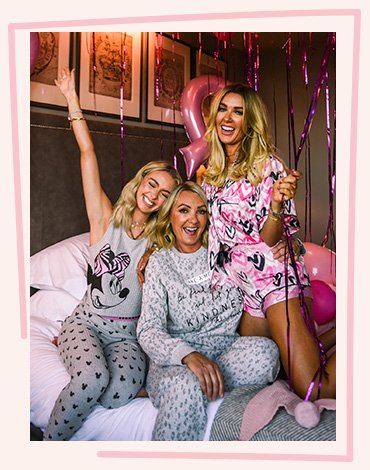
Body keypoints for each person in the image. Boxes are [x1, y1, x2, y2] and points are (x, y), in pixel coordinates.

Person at [43, 68, 182, 441]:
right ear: (140, 182)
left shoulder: (161, 242)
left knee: (117, 393)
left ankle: (86, 361)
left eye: (165, 193)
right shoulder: (104, 219)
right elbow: (87, 153)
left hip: (128, 338)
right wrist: (72, 99)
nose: (154, 193)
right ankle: (47, 448)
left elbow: (196, 223)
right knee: (91, 380)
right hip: (88, 323)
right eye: (152, 183)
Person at [201, 82, 336, 400]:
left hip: (274, 278)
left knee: (312, 389)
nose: (229, 117)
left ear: (250, 121)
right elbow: (204, 231)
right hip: (241, 289)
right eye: (223, 109)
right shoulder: (212, 175)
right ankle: (336, 334)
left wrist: (276, 205)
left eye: (239, 111)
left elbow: (270, 236)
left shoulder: (268, 165)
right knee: (274, 370)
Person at [137, 182, 280, 441]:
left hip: (224, 353)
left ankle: (207, 381)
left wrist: (288, 248)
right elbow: (148, 330)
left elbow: (267, 251)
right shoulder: (160, 262)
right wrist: (188, 356)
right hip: (177, 362)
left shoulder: (225, 254)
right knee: (184, 385)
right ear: (170, 215)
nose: (193, 219)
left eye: (201, 211)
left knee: (266, 353)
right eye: (183, 210)